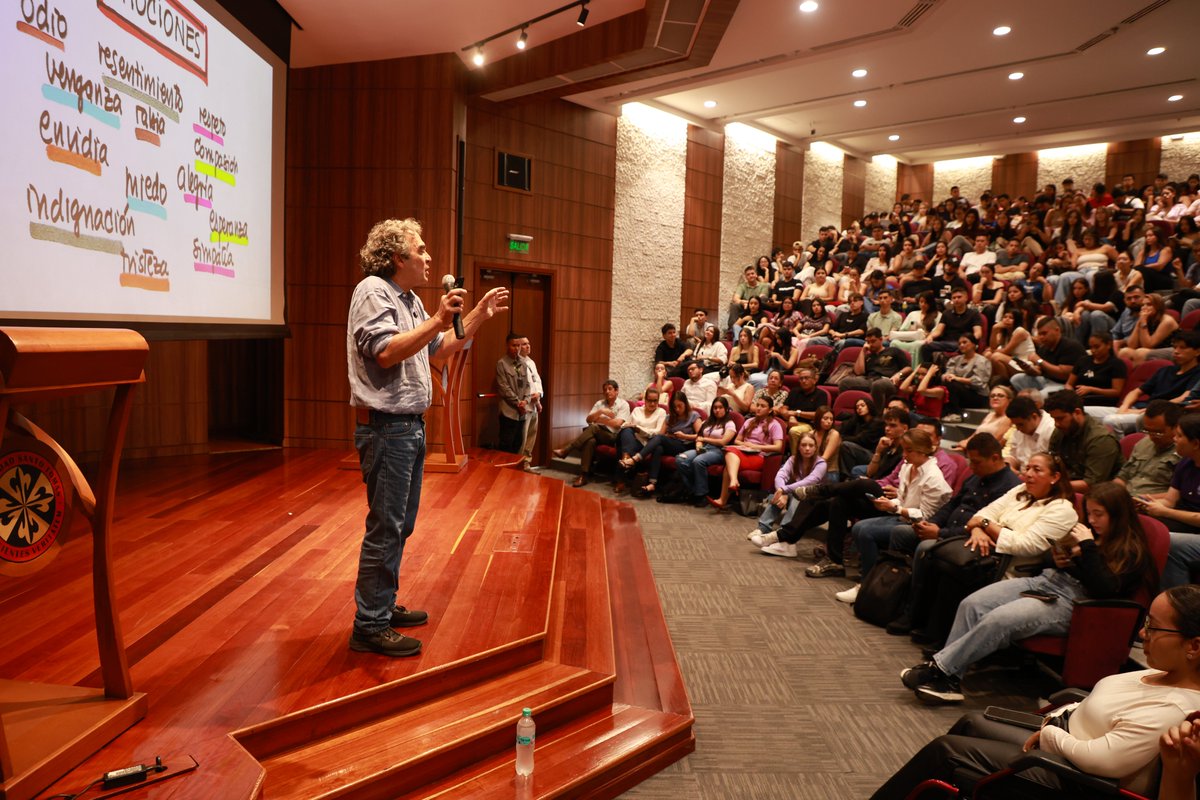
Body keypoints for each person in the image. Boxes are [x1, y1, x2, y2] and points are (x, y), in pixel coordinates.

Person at [347, 217, 509, 656]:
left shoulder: (410, 299)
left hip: (408, 429)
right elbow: (384, 352)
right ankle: (369, 624)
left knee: (402, 525)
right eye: (421, 249)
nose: (429, 257)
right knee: (386, 527)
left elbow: (436, 349)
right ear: (398, 257)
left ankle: (382, 604)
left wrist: (473, 317)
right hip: (386, 429)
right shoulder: (373, 292)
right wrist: (439, 317)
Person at [872, 586, 1200, 800]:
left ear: (1193, 646)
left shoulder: (1176, 707)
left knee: (947, 751)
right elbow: (1095, 704)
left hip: (1075, 779)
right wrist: (1057, 719)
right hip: (1062, 744)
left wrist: (1051, 736)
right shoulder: (1163, 674)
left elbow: (1103, 760)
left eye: (1154, 627)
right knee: (971, 723)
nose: (1142, 633)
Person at [904, 481, 1157, 704]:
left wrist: (1087, 548)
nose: (1091, 520)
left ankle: (940, 669)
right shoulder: (1090, 534)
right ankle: (950, 680)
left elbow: (1105, 588)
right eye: (1089, 513)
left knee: (1000, 619)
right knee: (973, 603)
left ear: (1117, 515)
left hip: (1077, 603)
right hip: (1048, 581)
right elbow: (1048, 560)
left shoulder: (1131, 548)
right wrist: (1057, 559)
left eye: (1099, 514)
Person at [887, 433, 1021, 635]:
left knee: (925, 548)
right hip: (947, 530)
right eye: (970, 462)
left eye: (976, 462)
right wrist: (930, 523)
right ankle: (891, 596)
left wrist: (940, 533)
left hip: (971, 541)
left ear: (995, 458)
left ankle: (914, 612)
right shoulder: (976, 476)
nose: (972, 467)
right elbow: (952, 505)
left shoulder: (1009, 487)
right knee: (900, 533)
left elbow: (986, 525)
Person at [836, 429, 952, 604]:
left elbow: (925, 516)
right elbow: (904, 499)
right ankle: (870, 580)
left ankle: (868, 584)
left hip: (920, 526)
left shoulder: (933, 478)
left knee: (865, 531)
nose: (904, 455)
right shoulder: (908, 467)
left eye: (908, 450)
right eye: (903, 449)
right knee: (859, 527)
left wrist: (894, 508)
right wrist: (889, 503)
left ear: (922, 451)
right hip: (903, 517)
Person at [1089, 331, 1200, 434]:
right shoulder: (1165, 370)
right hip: (1137, 409)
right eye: (1175, 347)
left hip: (1156, 414)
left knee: (1111, 421)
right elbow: (1136, 392)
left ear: (1197, 351)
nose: (1176, 351)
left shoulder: (1197, 374)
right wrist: (1124, 407)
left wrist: (1147, 411)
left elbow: (1184, 398)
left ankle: (1120, 453)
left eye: (1182, 348)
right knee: (1084, 411)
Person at [1143, 414, 1200, 586]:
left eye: (1179, 436)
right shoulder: (1186, 463)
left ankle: (1177, 607)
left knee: (1169, 543)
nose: (1174, 439)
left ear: (1196, 443)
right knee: (1139, 523)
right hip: (1185, 521)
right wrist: (1147, 504)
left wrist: (1165, 511)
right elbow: (1169, 501)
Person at [746, 431, 827, 546]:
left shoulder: (821, 463)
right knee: (780, 493)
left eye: (811, 445)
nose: (807, 448)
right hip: (796, 492)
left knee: (796, 495)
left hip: (814, 500)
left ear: (815, 448)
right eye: (803, 445)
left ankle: (784, 532)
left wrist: (784, 490)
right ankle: (763, 528)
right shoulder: (793, 460)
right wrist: (781, 491)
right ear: (798, 447)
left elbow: (809, 481)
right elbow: (780, 475)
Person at [709, 395, 785, 511]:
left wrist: (755, 446)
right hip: (744, 452)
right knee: (730, 455)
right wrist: (744, 445)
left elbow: (778, 447)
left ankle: (725, 496)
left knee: (729, 462)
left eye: (762, 406)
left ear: (770, 410)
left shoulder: (775, 424)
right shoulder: (749, 421)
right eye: (757, 405)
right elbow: (737, 440)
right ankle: (730, 488)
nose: (758, 408)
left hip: (760, 456)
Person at [552, 379, 631, 488]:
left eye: (610, 389)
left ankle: (567, 450)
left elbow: (617, 424)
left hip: (614, 437)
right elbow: (589, 419)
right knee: (590, 441)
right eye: (605, 390)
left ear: (617, 391)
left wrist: (600, 420)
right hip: (599, 433)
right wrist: (601, 412)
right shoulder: (599, 403)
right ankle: (584, 475)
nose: (607, 392)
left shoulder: (623, 404)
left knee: (594, 427)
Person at [1044, 390, 1122, 494]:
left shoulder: (1101, 439)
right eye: (1054, 419)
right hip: (1067, 485)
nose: (1056, 424)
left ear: (1077, 412)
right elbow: (1051, 464)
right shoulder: (1061, 431)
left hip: (1099, 495)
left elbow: (1091, 484)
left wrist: (1050, 484)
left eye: (1060, 418)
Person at [626, 393, 700, 496]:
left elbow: (700, 436)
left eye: (680, 406)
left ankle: (636, 459)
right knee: (658, 448)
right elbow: (661, 434)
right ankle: (652, 483)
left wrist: (685, 436)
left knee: (659, 439)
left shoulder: (694, 415)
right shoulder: (670, 417)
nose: (677, 409)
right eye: (674, 407)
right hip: (672, 443)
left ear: (685, 404)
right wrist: (668, 436)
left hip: (686, 445)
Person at [669, 397, 738, 507]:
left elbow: (723, 442)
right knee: (680, 458)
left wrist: (704, 440)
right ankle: (693, 489)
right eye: (715, 408)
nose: (717, 410)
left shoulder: (730, 424)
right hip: (704, 448)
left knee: (698, 461)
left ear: (726, 409)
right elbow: (699, 437)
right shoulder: (708, 422)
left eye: (720, 407)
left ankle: (701, 495)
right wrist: (698, 445)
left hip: (720, 451)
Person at [1115, 400, 1185, 500]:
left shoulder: (1185, 453)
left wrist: (1143, 499)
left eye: (1158, 432)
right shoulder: (1143, 443)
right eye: (1147, 431)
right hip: (1126, 499)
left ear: (1176, 427)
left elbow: (1180, 494)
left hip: (1153, 504)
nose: (1152, 437)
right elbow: (1123, 477)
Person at [1010, 317, 1087, 397]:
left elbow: (1064, 375)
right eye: (1039, 334)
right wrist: (1028, 369)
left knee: (1040, 396)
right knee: (1016, 379)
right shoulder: (1044, 348)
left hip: (1063, 384)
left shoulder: (1071, 346)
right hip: (1045, 380)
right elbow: (1039, 371)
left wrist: (1039, 360)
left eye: (1044, 333)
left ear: (1057, 330)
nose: (1041, 337)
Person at [838, 327, 908, 411]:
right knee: (844, 383)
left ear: (881, 339)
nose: (870, 344)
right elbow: (859, 372)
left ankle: (876, 417)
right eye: (868, 342)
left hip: (887, 380)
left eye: (873, 341)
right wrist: (863, 351)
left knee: (878, 385)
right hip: (869, 380)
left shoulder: (894, 351)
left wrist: (898, 375)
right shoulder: (869, 355)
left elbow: (908, 368)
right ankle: (849, 413)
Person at [614, 388, 666, 494]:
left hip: (647, 444)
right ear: (645, 400)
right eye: (649, 400)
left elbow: (657, 432)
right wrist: (630, 426)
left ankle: (623, 474)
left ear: (658, 401)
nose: (652, 403)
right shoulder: (637, 410)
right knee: (626, 431)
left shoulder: (661, 412)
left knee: (625, 445)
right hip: (632, 440)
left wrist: (639, 429)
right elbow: (625, 424)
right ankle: (626, 459)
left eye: (655, 401)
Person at [919, 288, 983, 364]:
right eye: (954, 298)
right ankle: (928, 370)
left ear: (966, 298)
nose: (956, 300)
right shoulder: (946, 313)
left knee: (960, 346)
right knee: (925, 346)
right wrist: (931, 336)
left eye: (959, 297)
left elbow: (978, 333)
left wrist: (971, 342)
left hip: (962, 343)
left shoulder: (973, 314)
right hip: (947, 343)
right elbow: (938, 331)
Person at [1064, 331, 1126, 407]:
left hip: (1101, 402)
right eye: (1091, 347)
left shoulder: (1117, 364)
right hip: (1078, 399)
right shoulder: (1083, 360)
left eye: (1097, 347)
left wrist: (1091, 389)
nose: (1093, 350)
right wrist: (1071, 394)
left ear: (1108, 345)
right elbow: (1069, 384)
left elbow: (1116, 392)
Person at [940, 333, 991, 423]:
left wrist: (957, 378)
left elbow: (978, 382)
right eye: (959, 343)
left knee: (953, 384)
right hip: (962, 392)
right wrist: (947, 376)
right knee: (946, 381)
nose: (961, 345)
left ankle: (955, 414)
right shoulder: (955, 359)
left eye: (965, 342)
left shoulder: (982, 361)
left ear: (974, 344)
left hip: (978, 396)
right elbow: (949, 372)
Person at [495, 332, 532, 455]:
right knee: (506, 445)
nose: (517, 348)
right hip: (509, 412)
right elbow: (504, 388)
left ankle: (514, 473)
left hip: (521, 412)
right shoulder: (502, 363)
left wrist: (526, 401)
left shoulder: (523, 362)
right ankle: (504, 473)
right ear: (507, 346)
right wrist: (518, 403)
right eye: (514, 345)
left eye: (518, 346)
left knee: (518, 443)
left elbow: (527, 385)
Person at [1003, 395, 1055, 472]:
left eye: (1020, 424)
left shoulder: (1051, 429)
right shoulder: (1019, 430)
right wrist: (1009, 465)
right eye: (1015, 425)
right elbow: (1013, 455)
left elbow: (1053, 467)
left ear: (1034, 416)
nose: (1018, 429)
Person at [517, 335, 543, 471]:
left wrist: (539, 396)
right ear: (518, 347)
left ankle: (527, 462)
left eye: (528, 343)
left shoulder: (531, 362)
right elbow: (524, 385)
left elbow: (537, 381)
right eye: (524, 344)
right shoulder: (517, 363)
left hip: (534, 404)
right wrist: (532, 398)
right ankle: (519, 463)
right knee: (523, 436)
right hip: (525, 404)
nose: (528, 346)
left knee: (532, 435)